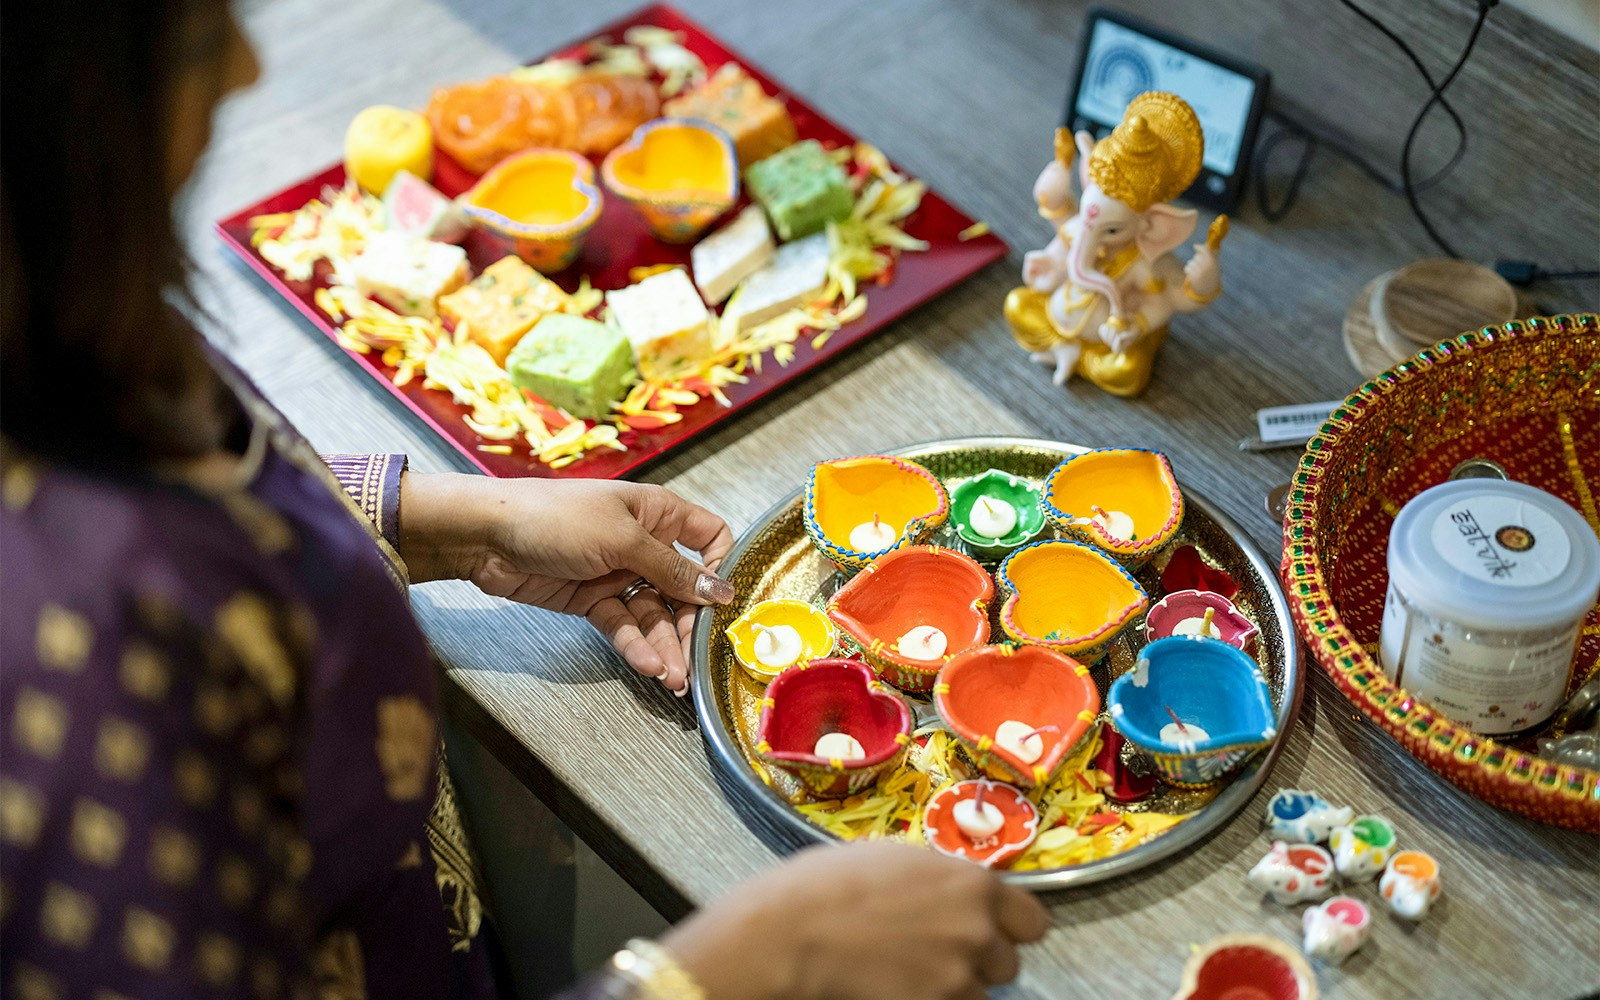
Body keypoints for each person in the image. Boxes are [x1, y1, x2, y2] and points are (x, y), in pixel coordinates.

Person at [0, 1, 1050, 998]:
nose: (245, 69)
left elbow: (225, 520)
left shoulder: (63, 305)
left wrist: (468, 526)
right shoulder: (68, 642)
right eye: (193, 42)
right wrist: (741, 964)